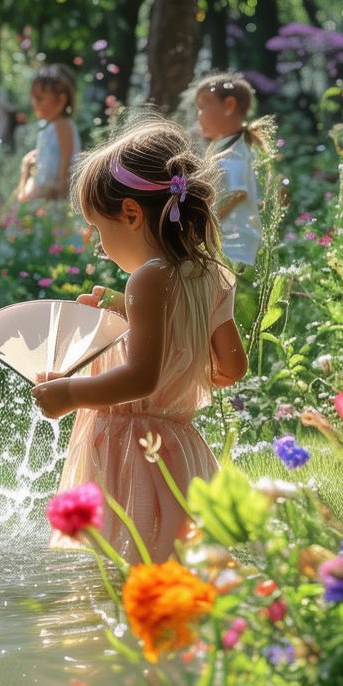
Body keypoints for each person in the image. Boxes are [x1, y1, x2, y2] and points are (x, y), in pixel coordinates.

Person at [32, 118, 248, 562]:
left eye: (98, 229)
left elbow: (141, 379)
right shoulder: (211, 274)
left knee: (121, 556)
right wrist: (124, 311)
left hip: (131, 448)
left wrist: (68, 393)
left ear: (131, 214)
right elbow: (231, 368)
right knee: (175, 556)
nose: (98, 244)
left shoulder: (148, 279)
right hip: (179, 446)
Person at [195, 73, 265, 267]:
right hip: (235, 243)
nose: (198, 115)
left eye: (202, 107)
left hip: (234, 247)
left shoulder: (233, 152)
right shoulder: (233, 146)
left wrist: (201, 227)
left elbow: (236, 194)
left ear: (229, 106)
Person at [16, 65, 80, 205]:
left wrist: (60, 191)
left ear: (61, 100)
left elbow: (66, 160)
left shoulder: (62, 124)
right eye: (33, 98)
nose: (35, 104)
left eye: (40, 99)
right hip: (44, 196)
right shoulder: (50, 127)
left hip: (53, 199)